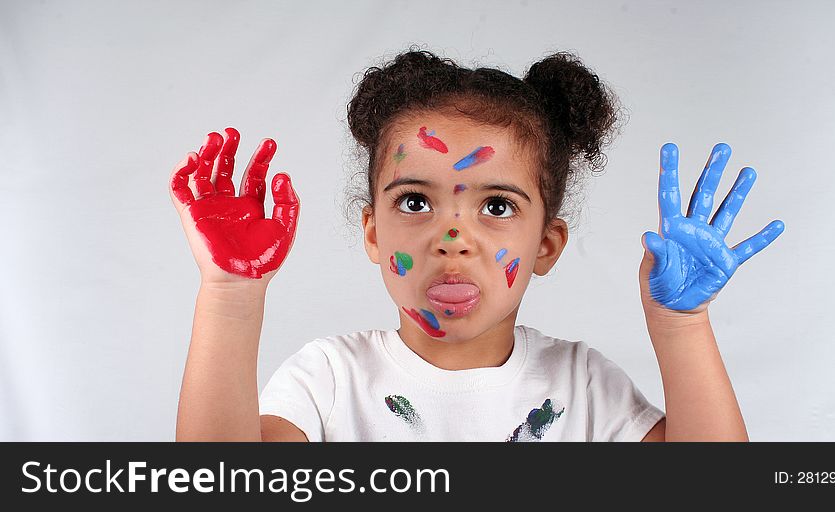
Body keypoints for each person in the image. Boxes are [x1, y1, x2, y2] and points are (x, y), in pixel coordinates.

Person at [170, 49, 784, 442]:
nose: (453, 238)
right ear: (374, 234)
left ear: (546, 244)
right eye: (415, 202)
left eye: (496, 207)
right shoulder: (331, 380)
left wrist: (682, 326)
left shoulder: (581, 388)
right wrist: (230, 293)